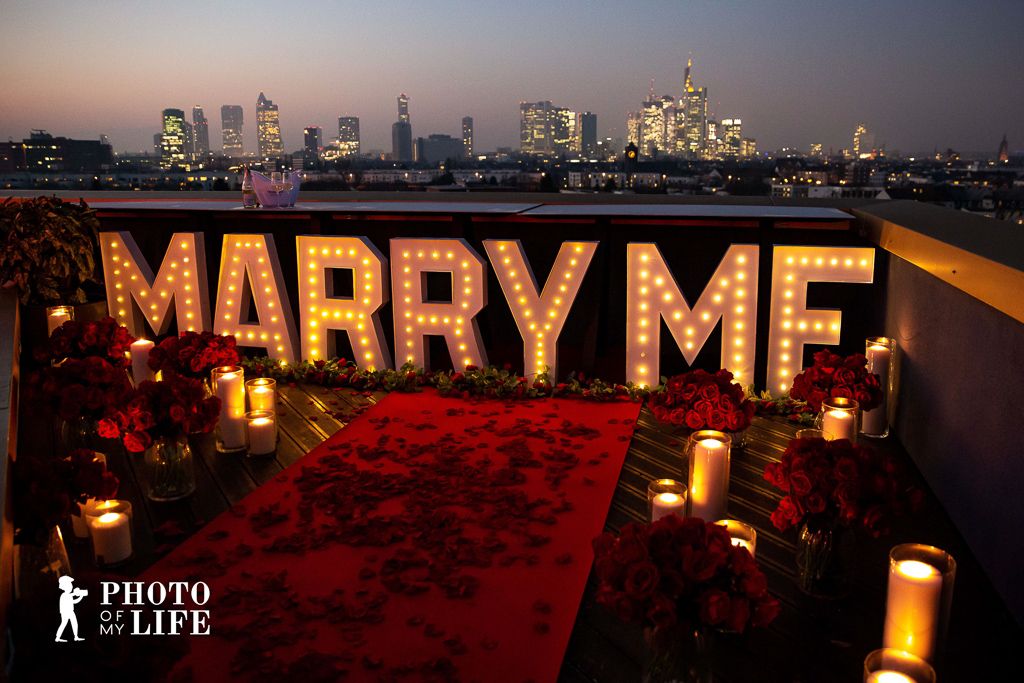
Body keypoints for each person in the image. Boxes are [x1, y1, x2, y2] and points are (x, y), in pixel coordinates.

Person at [55, 575, 87, 642]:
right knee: (64, 623)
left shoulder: (67, 595)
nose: (71, 586)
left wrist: (79, 595)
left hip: (69, 611)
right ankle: (58, 637)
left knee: (73, 623)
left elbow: (73, 600)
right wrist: (80, 596)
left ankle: (75, 636)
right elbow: (74, 601)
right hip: (66, 612)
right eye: (69, 585)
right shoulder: (65, 595)